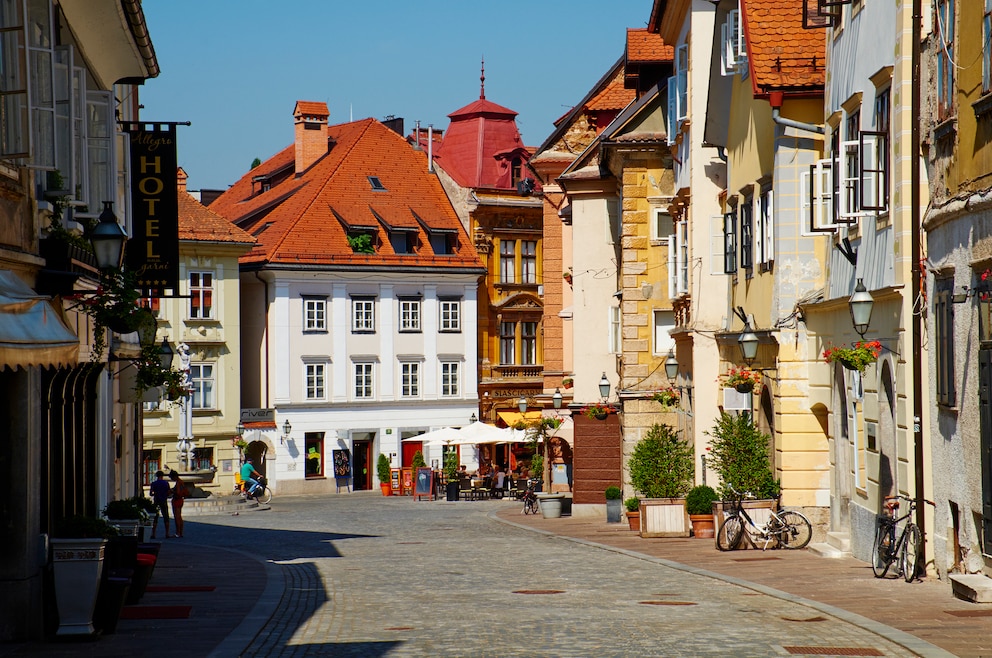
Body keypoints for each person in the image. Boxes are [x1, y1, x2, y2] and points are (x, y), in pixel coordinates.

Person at [148, 470, 171, 538]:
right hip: (164, 500)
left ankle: (153, 534)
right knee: (166, 517)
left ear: (157, 476)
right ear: (162, 476)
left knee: (155, 518)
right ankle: (167, 533)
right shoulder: (166, 483)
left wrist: (155, 493)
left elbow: (151, 493)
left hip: (156, 501)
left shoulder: (154, 483)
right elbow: (168, 492)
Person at [169, 470, 189, 538]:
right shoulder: (181, 482)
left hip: (177, 500)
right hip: (180, 500)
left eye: (171, 477)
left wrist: (172, 491)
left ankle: (177, 532)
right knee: (179, 517)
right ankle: (180, 532)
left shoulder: (178, 483)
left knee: (177, 517)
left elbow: (177, 492)